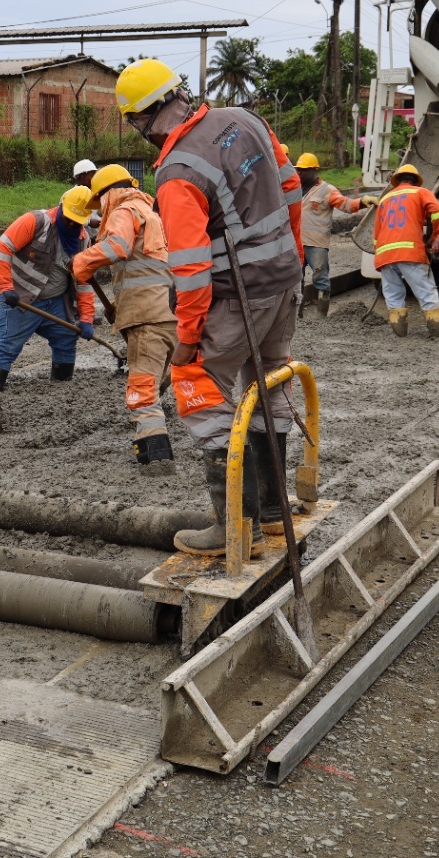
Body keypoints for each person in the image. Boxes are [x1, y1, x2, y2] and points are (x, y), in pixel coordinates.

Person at [115, 58, 303, 558]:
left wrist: (188, 338)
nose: (141, 133)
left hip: (237, 294)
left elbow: (193, 269)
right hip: (283, 281)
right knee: (269, 381)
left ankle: (236, 526)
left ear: (146, 116)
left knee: (197, 384)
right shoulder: (246, 120)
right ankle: (271, 507)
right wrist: (293, 259)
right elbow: (291, 189)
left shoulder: (178, 171)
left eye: (136, 123)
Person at [70, 164, 177, 474]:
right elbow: (150, 269)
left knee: (143, 390)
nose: (100, 209)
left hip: (147, 319)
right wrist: (119, 304)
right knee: (160, 381)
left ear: (107, 194)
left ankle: (156, 460)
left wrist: (81, 262)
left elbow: (116, 246)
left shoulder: (123, 210)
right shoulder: (152, 214)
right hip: (171, 313)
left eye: (99, 201)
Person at [0, 186, 97, 388]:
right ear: (61, 207)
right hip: (22, 299)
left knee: (66, 337)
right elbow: (2, 248)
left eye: (76, 222)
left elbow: (83, 282)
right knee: (8, 346)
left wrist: (86, 318)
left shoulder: (83, 241)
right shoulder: (36, 221)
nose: (71, 225)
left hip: (56, 302)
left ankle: (61, 388)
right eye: (68, 219)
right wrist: (6, 288)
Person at [295, 151, 376, 318]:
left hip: (316, 244)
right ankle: (297, 315)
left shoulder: (327, 190)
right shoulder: (294, 189)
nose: (300, 173)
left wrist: (361, 202)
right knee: (296, 279)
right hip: (297, 244)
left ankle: (321, 315)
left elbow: (346, 205)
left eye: (304, 170)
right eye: (299, 169)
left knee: (320, 278)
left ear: (315, 170)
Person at [372, 164, 439, 338]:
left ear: (397, 180)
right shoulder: (420, 192)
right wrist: (434, 238)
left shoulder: (385, 199)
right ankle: (436, 331)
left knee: (393, 293)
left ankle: (400, 332)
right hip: (410, 252)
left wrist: (381, 253)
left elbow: (376, 233)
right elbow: (438, 213)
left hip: (385, 254)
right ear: (415, 181)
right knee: (426, 290)